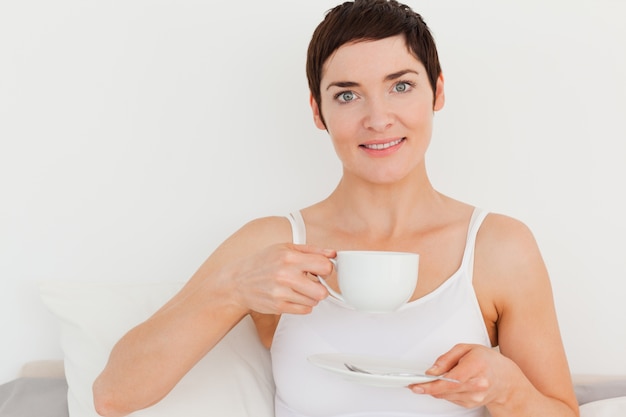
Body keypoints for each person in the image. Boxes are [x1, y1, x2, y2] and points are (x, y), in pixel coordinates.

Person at [93, 0, 579, 416]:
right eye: (347, 94)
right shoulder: (273, 246)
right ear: (317, 111)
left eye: (401, 86)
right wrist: (233, 287)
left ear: (439, 92)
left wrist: (507, 389)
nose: (378, 117)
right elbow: (113, 395)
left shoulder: (499, 247)